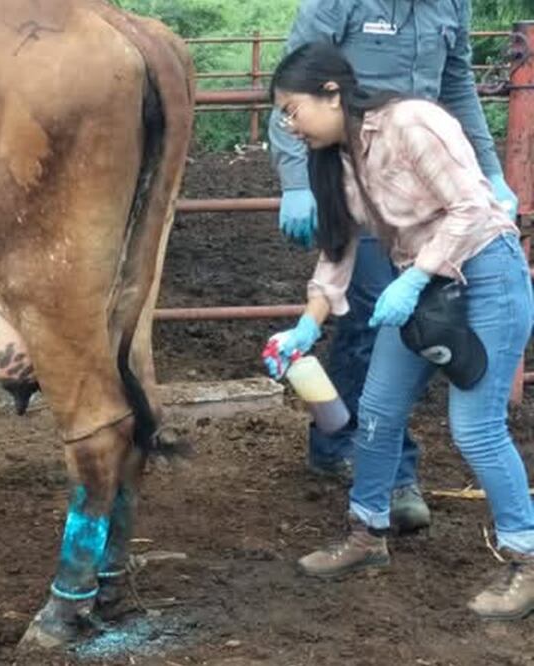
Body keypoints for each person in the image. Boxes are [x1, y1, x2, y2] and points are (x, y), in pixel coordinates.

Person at [263, 41, 534, 620]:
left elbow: (470, 208)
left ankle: (525, 558)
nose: (289, 124)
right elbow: (336, 258)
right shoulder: (335, 162)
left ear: (332, 93)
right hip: (421, 284)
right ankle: (366, 536)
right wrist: (304, 329)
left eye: (291, 109)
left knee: (476, 427)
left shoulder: (412, 123)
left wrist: (416, 278)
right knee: (378, 412)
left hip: (485, 274)